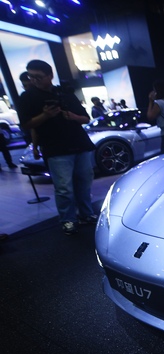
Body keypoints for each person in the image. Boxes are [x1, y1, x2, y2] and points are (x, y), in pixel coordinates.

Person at [17, 59, 95, 235]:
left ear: (50, 75)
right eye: (31, 77)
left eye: (38, 76)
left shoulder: (65, 93)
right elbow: (26, 125)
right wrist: (45, 116)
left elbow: (85, 118)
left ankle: (86, 214)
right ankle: (68, 220)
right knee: (64, 188)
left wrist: (73, 116)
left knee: (84, 183)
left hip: (79, 144)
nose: (34, 80)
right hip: (55, 148)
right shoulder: (27, 97)